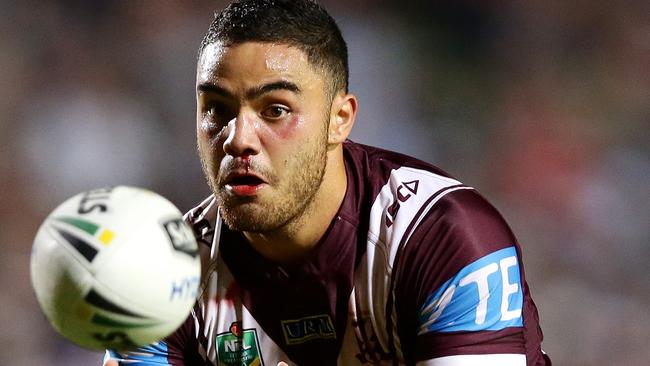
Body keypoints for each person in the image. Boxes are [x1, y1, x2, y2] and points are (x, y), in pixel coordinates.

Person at [105, 0, 551, 365]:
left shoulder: (442, 236)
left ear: (340, 120)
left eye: (275, 110)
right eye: (216, 109)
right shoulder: (161, 275)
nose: (238, 139)